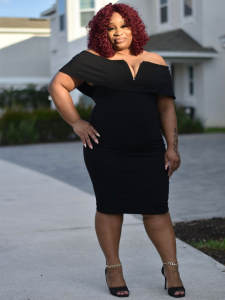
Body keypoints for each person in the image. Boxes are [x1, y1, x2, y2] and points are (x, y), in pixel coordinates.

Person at [48, 3, 185, 298]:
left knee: (157, 208)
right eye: (110, 28)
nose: (118, 32)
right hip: (105, 149)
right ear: (101, 32)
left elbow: (165, 106)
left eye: (123, 25)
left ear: (134, 27)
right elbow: (58, 85)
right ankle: (114, 268)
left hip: (149, 149)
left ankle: (171, 268)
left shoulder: (157, 62)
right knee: (110, 207)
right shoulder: (92, 60)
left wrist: (172, 148)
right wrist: (76, 123)